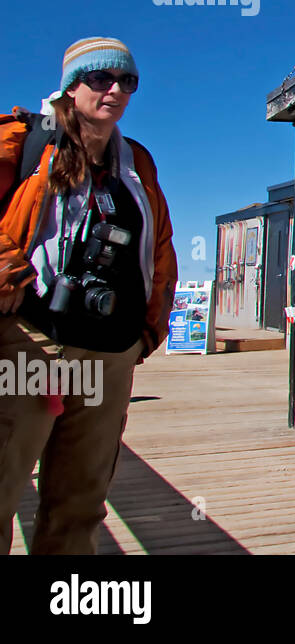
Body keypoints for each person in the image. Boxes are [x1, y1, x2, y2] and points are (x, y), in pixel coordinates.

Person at [0, 37, 177, 554]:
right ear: (71, 87)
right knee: (4, 483)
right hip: (34, 342)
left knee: (79, 501)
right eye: (101, 79)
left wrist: (147, 331)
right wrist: (7, 271)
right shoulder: (26, 142)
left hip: (108, 350)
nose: (116, 90)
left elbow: (159, 248)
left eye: (128, 81)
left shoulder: (136, 162)